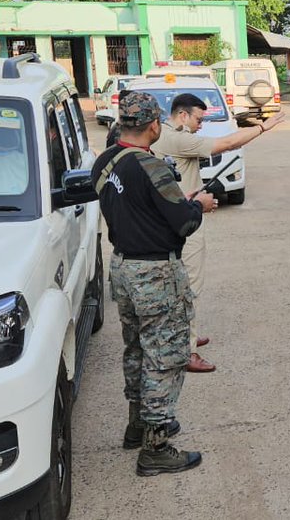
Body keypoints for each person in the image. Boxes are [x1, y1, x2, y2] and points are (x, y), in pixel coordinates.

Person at [91, 91, 218, 476]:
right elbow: (184, 222)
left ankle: (138, 426)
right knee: (165, 358)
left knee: (137, 350)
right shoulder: (151, 167)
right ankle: (156, 447)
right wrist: (199, 205)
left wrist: (178, 203)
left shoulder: (105, 160)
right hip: (156, 273)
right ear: (153, 126)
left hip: (124, 267)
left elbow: (138, 208)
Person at [152, 92, 285, 373]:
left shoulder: (165, 133)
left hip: (175, 217)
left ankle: (187, 336)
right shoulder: (177, 137)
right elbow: (226, 143)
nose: (201, 125)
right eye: (199, 119)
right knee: (189, 287)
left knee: (182, 285)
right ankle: (185, 351)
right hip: (184, 223)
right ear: (183, 115)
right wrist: (262, 127)